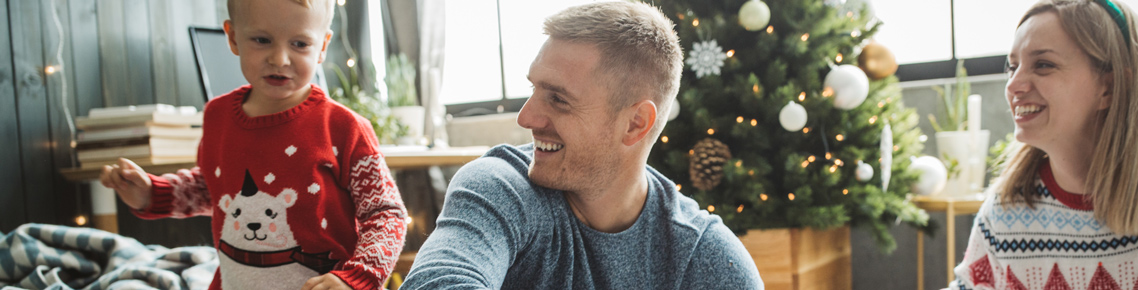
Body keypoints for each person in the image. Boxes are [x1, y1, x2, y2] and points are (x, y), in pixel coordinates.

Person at [401, 2, 763, 289]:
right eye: (534, 89)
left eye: (558, 99)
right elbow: (439, 281)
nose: (526, 119)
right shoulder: (498, 187)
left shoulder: (705, 258)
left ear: (635, 123)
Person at [98, 0, 407, 289]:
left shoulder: (344, 128)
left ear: (323, 46)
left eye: (299, 44)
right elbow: (214, 188)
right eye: (262, 40)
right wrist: (153, 193)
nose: (280, 59)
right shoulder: (217, 116)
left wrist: (357, 276)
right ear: (232, 38)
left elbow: (386, 213)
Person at [949, 0, 1138, 289]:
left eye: (1042, 65)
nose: (1013, 85)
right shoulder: (1004, 210)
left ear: (1109, 86)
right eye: (1012, 67)